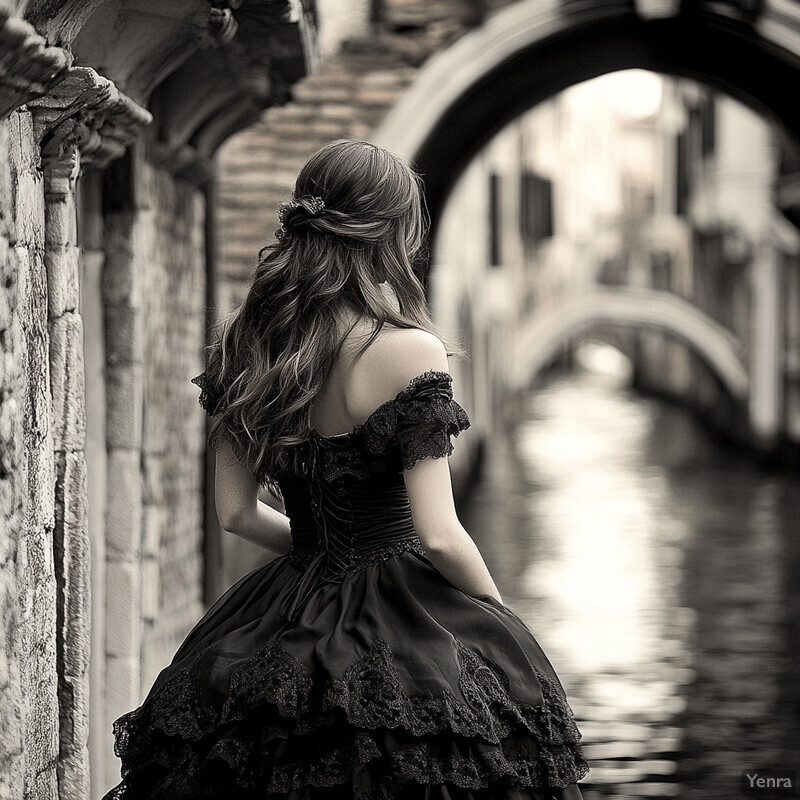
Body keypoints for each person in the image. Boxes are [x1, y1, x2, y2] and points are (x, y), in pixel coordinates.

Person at [103, 139, 589, 800]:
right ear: (391, 232)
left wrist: (317, 551)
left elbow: (235, 514)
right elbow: (440, 534)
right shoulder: (410, 350)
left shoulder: (247, 345)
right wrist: (500, 623)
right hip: (399, 614)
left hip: (282, 606)